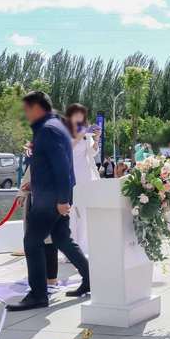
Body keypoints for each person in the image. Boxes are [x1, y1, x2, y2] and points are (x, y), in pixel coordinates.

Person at [6, 91, 90, 312]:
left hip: (50, 199)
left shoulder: (48, 130)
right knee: (62, 239)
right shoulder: (55, 126)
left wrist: (61, 199)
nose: (25, 114)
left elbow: (61, 166)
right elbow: (51, 165)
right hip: (54, 196)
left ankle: (38, 295)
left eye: (26, 109)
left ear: (37, 108)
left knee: (32, 242)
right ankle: (91, 278)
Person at [64, 104, 100, 257]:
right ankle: (70, 251)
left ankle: (83, 248)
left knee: (84, 214)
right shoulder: (66, 133)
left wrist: (96, 139)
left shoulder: (86, 135)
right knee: (71, 213)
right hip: (70, 177)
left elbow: (92, 153)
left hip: (86, 177)